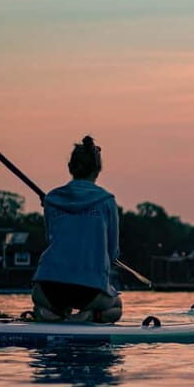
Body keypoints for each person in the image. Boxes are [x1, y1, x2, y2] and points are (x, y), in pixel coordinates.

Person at [32, 135, 123, 323]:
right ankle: (90, 315)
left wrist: (50, 205)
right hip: (89, 291)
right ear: (98, 170)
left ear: (70, 167)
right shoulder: (107, 201)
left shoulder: (51, 200)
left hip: (48, 287)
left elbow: (51, 239)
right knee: (116, 307)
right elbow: (112, 251)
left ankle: (50, 313)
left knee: (42, 304)